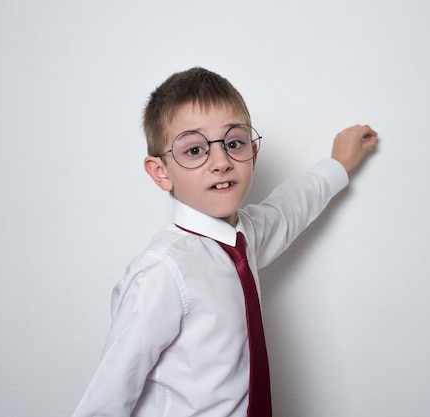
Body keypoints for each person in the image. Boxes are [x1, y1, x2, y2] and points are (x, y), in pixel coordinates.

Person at [72, 67, 378, 417]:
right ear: (160, 172)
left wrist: (338, 163)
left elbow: (290, 207)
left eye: (234, 143)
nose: (221, 162)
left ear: (254, 153)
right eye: (194, 150)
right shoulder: (163, 270)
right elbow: (110, 393)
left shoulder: (244, 238)